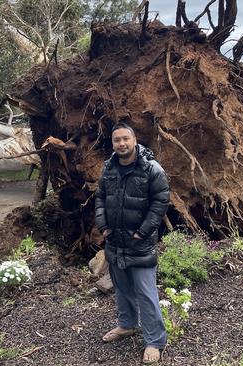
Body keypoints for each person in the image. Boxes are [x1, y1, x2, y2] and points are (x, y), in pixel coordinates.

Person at [95, 122, 170, 364]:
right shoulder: (108, 168)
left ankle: (155, 341)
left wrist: (142, 232)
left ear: (134, 140)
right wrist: (103, 227)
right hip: (115, 241)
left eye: (125, 139)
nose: (121, 144)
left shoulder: (151, 169)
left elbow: (160, 202)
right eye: (117, 140)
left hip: (140, 243)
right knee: (123, 288)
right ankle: (127, 325)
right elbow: (100, 198)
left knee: (146, 293)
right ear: (113, 143)